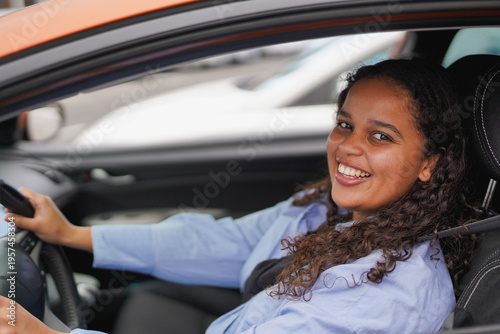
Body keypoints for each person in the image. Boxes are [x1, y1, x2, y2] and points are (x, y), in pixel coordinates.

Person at [0, 58, 480, 334]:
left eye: (381, 137)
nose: (348, 147)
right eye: (345, 125)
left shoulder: (385, 298)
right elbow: (225, 243)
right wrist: (73, 235)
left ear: (429, 164)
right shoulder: (329, 210)